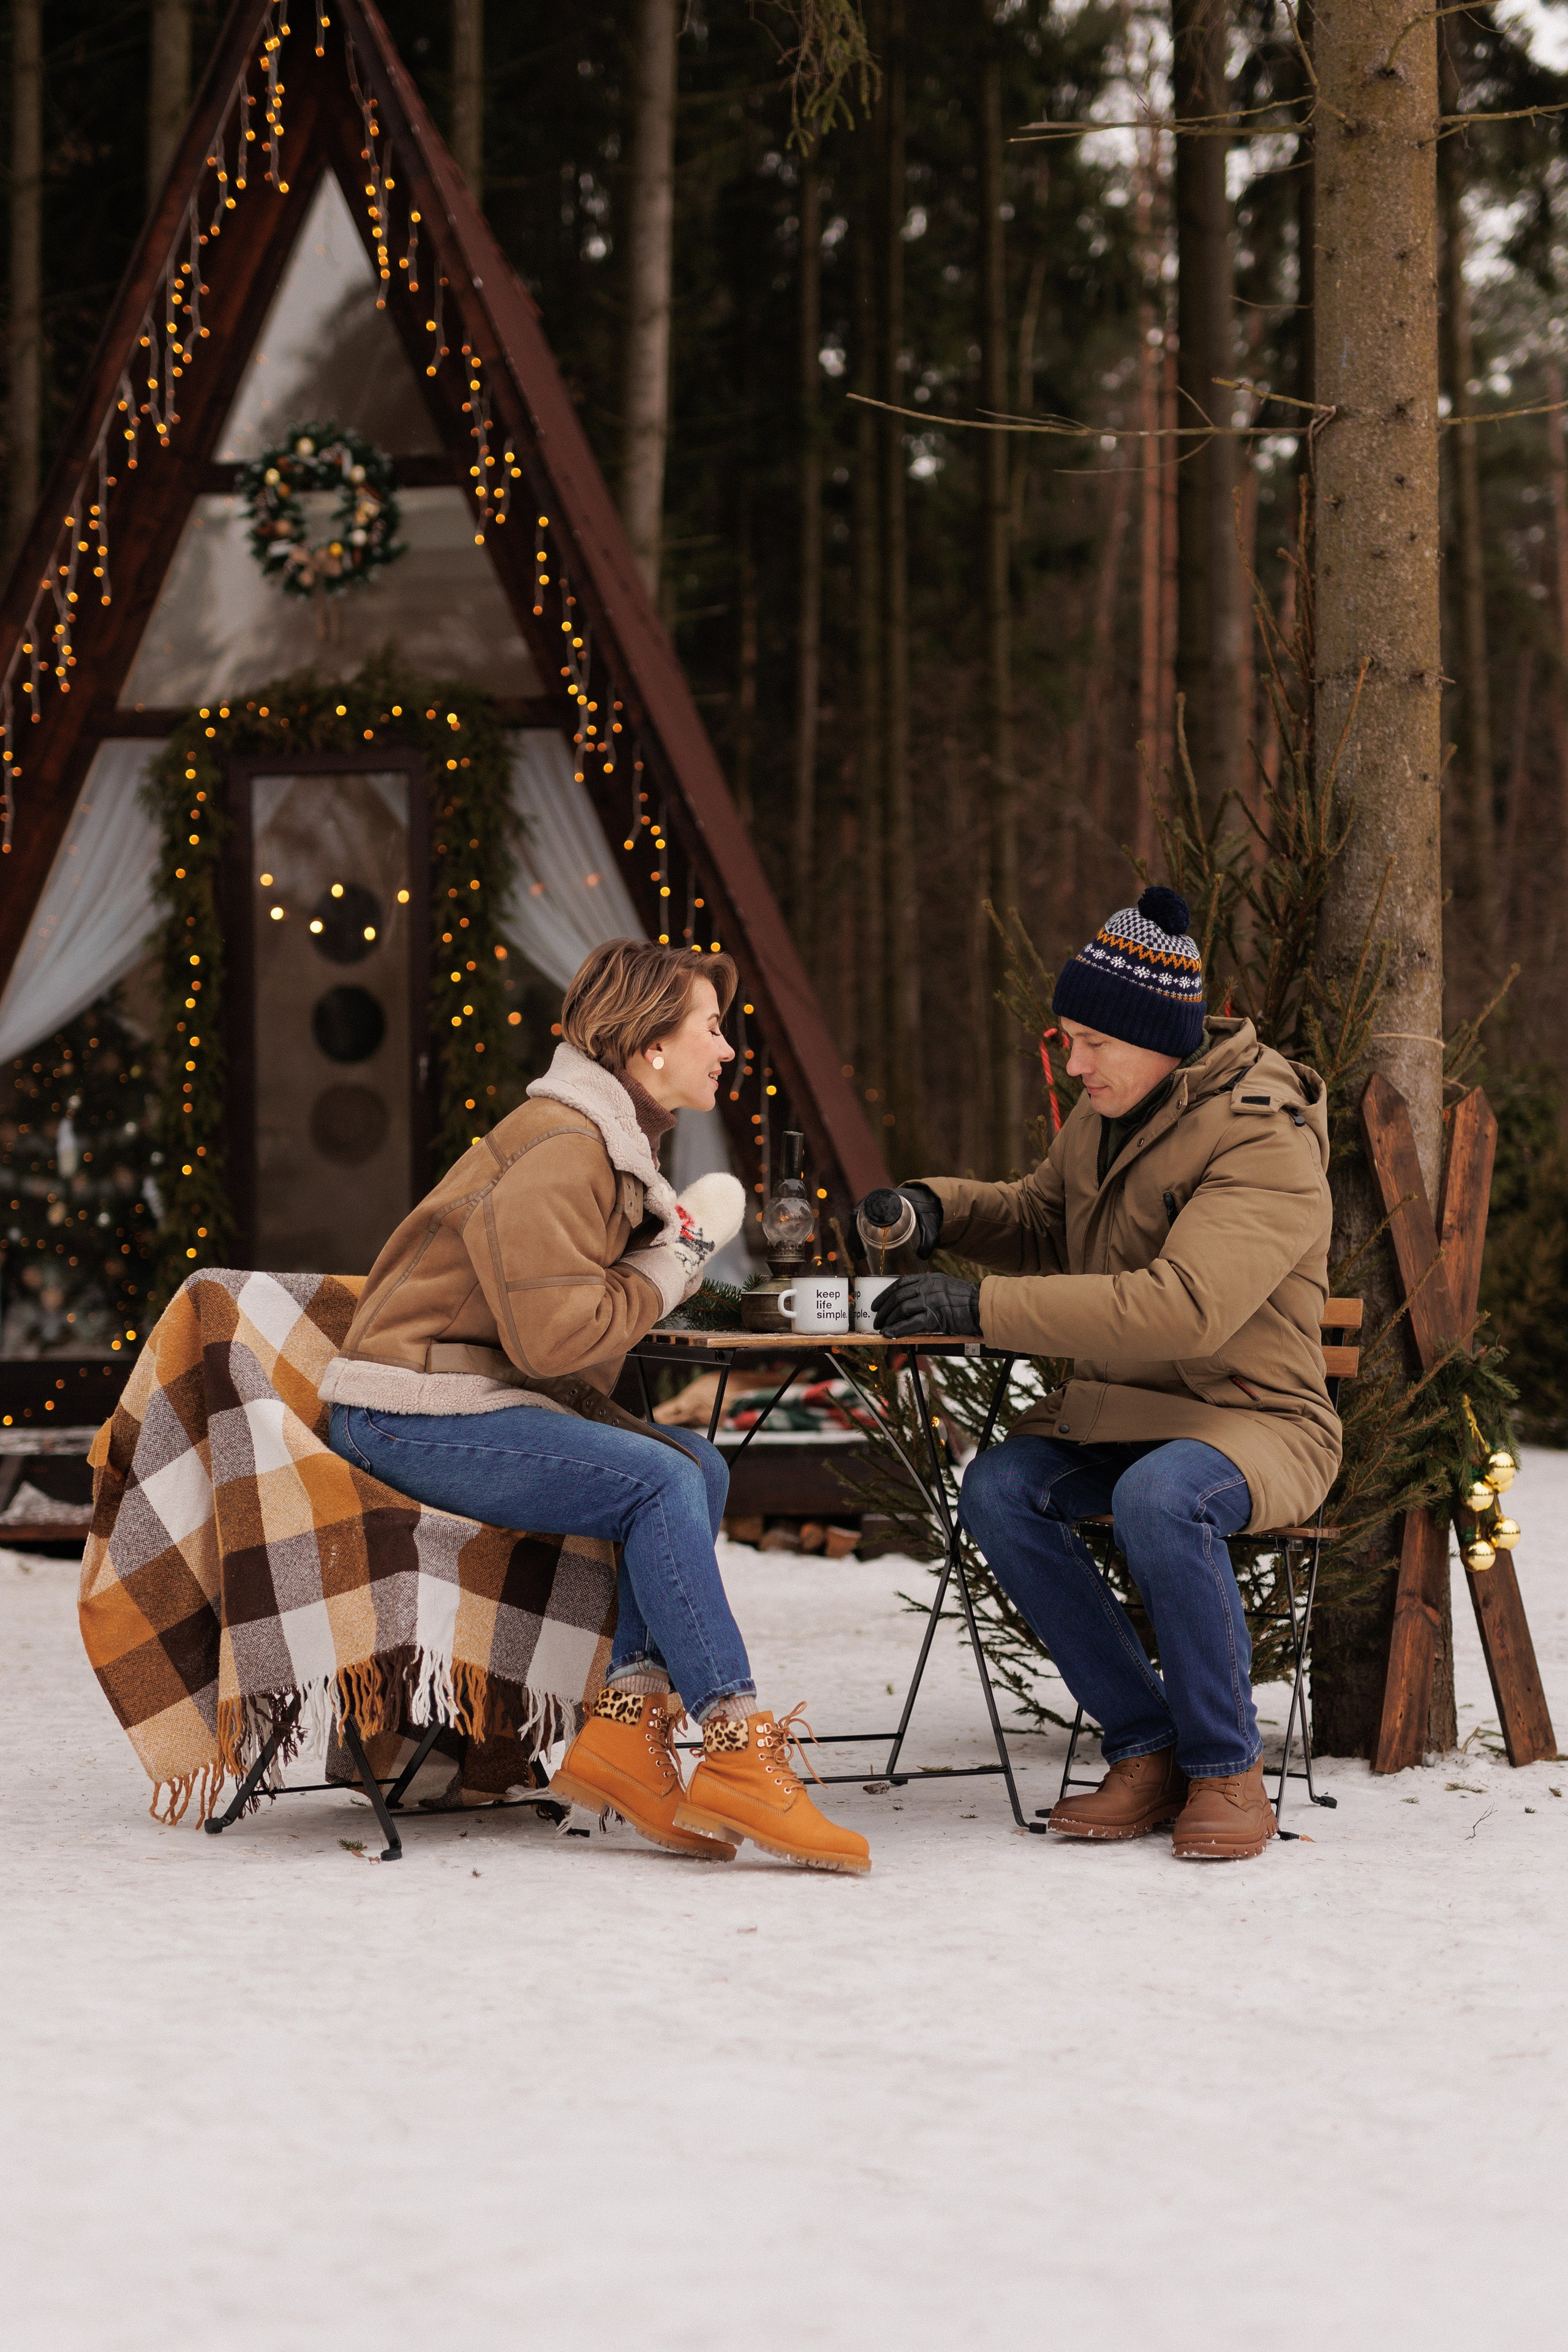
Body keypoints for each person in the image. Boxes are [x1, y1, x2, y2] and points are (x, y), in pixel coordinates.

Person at [322, 938, 869, 1876]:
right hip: (408, 1411)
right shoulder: (566, 1147)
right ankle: (736, 1743)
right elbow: (554, 1341)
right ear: (650, 1046)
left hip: (468, 1397)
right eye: (711, 1027)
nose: (726, 1049)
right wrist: (676, 1261)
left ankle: (624, 1731)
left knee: (698, 1465)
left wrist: (663, 1255)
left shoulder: (603, 1141)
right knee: (660, 1479)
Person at [861, 885, 1338, 1863]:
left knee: (1165, 1495)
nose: (1073, 1065)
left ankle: (1224, 1770)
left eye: (1091, 1043)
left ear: (1157, 1035)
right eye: (1065, 1041)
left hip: (1255, 1420)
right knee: (1000, 1488)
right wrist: (936, 1211)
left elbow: (1184, 1304)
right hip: (1127, 1411)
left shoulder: (1264, 1134)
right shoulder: (1110, 1112)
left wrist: (980, 1309)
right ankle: (1147, 1747)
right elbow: (1042, 1218)